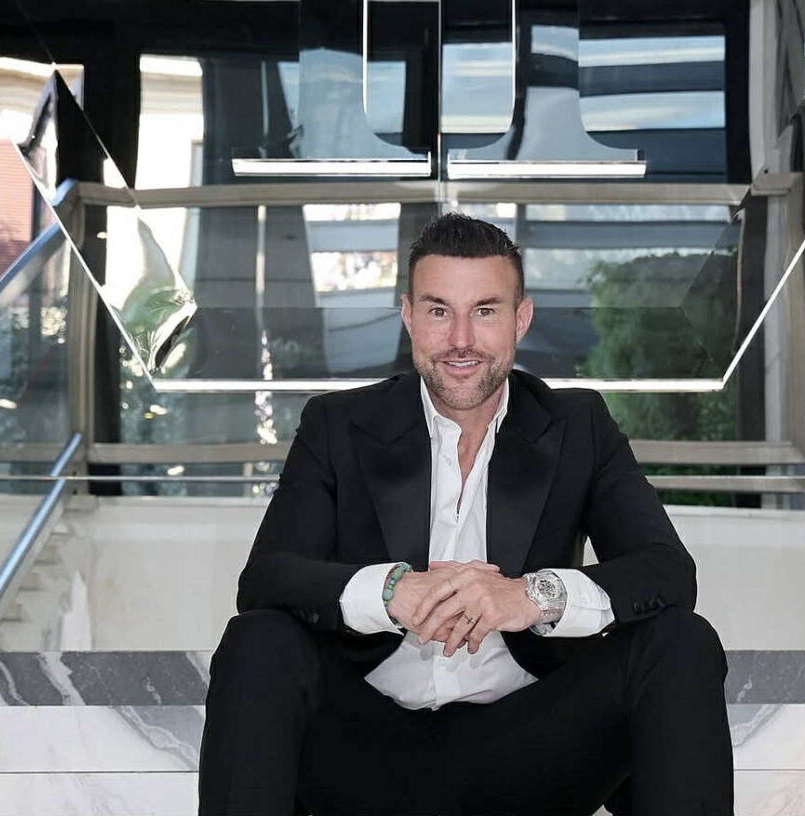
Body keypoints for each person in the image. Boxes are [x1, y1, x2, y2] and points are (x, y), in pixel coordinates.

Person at [198, 213, 733, 816]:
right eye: (438, 311)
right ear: (408, 316)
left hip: (530, 749)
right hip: (367, 751)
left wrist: (531, 597)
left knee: (681, 640)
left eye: (484, 311)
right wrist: (390, 592)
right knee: (256, 641)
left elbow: (667, 572)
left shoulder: (578, 425)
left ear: (520, 319)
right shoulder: (337, 425)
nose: (460, 339)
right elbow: (267, 579)